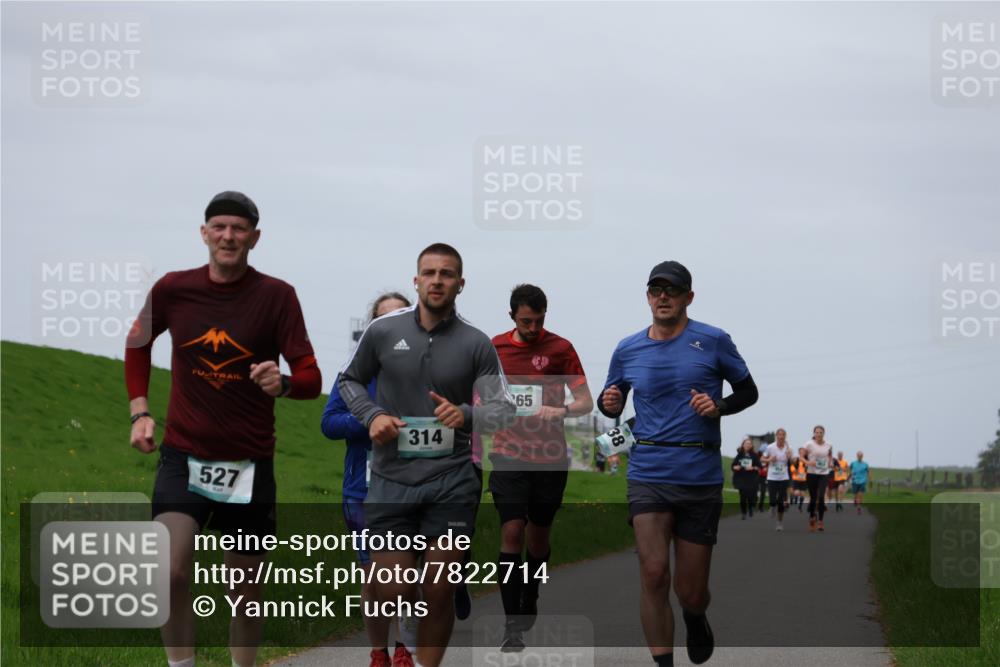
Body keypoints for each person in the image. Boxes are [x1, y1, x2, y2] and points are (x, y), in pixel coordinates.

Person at [125, 191, 322, 667]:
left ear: (254, 238)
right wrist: (140, 411)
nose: (228, 237)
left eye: (238, 229)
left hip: (248, 464)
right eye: (219, 227)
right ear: (204, 233)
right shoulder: (173, 289)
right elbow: (137, 344)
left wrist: (284, 384)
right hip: (184, 455)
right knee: (167, 569)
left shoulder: (278, 296)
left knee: (246, 591)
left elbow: (312, 379)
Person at [338, 243, 515, 667]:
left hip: (451, 479)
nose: (438, 280)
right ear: (416, 280)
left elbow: (503, 410)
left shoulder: (476, 343)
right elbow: (349, 381)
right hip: (391, 479)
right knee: (395, 588)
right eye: (430, 273)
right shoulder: (383, 331)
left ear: (461, 283)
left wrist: (467, 413)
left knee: (438, 587)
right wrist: (372, 415)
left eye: (447, 274)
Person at [599, 261, 759, 667]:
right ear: (648, 296)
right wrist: (610, 402)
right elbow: (610, 396)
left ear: (689, 296)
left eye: (672, 290)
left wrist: (718, 405)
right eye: (656, 290)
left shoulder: (714, 340)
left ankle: (695, 615)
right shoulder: (628, 347)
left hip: (698, 475)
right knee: (653, 574)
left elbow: (748, 391)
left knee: (690, 591)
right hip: (648, 473)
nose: (663, 297)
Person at [488, 283, 594, 652]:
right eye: (525, 321)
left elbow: (585, 402)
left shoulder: (560, 349)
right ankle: (511, 627)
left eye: (539, 321)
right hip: (508, 453)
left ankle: (530, 592)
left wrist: (561, 409)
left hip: (549, 457)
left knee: (538, 539)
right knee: (512, 532)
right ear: (512, 317)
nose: (533, 329)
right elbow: (479, 394)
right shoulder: (494, 348)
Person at [321, 292, 415, 667]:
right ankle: (379, 651)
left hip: (415, 484)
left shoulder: (431, 368)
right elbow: (329, 423)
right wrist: (370, 420)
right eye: (383, 320)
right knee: (375, 574)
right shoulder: (355, 374)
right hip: (365, 488)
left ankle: (406, 647)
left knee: (407, 573)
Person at [760, 428, 792, 531]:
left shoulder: (788, 448)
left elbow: (792, 460)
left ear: (785, 437)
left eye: (783, 435)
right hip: (772, 477)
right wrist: (769, 459)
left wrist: (789, 455)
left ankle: (779, 523)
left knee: (781, 501)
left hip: (783, 477)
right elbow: (762, 459)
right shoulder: (770, 447)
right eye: (779, 435)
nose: (781, 437)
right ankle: (772, 507)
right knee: (772, 500)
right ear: (776, 436)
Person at [803, 426, 833, 532]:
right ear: (814, 433)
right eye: (817, 432)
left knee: (821, 496)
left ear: (823, 433)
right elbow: (801, 456)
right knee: (813, 497)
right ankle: (812, 516)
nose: (819, 434)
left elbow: (830, 456)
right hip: (811, 473)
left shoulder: (828, 445)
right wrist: (807, 462)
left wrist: (830, 462)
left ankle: (820, 521)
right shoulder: (809, 444)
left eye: (820, 432)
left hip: (823, 474)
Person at [731, 438, 760, 520]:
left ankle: (750, 508)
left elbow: (759, 467)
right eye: (746, 443)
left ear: (751, 446)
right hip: (741, 479)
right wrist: (735, 467)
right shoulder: (739, 455)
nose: (747, 445)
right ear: (743, 445)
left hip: (751, 479)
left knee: (751, 497)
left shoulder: (754, 455)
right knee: (743, 497)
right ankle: (743, 513)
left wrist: (753, 468)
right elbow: (733, 465)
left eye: (749, 444)